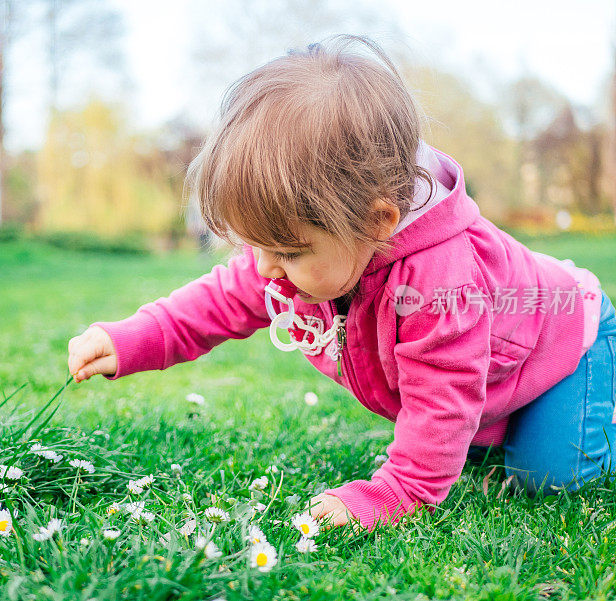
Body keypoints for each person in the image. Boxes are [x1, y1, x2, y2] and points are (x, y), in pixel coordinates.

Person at [67, 36, 615, 532]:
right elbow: (216, 301)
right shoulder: (301, 253)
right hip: (498, 359)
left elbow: (443, 401)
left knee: (549, 480)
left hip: (571, 338)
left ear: (378, 222)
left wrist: (393, 494)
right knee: (474, 445)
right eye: (253, 246)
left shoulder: (439, 282)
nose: (263, 270)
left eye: (287, 252)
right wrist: (131, 339)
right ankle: (505, 422)